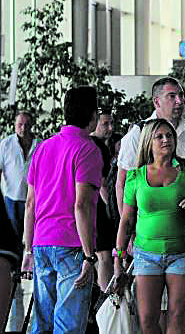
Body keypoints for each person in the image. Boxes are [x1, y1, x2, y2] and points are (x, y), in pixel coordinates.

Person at [111, 118, 185, 334]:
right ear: (148, 142)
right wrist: (119, 261)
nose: (166, 140)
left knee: (178, 318)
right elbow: (126, 222)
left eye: (169, 135)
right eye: (159, 136)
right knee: (146, 320)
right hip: (145, 255)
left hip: (182, 254)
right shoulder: (136, 176)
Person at [116, 77, 185, 318]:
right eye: (172, 96)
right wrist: (127, 238)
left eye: (181, 95)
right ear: (157, 101)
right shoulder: (138, 134)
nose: (179, 101)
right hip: (146, 246)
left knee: (180, 317)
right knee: (149, 317)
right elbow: (122, 184)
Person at [21, 87, 103, 334]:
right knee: (67, 325)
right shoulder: (88, 150)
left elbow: (30, 204)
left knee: (42, 322)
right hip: (71, 245)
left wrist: (28, 249)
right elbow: (82, 205)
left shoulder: (43, 148)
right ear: (92, 115)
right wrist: (89, 256)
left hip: (42, 243)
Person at [1, 111, 41, 241]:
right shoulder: (5, 144)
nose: (23, 128)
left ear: (32, 125)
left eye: (27, 124)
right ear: (14, 125)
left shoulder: (40, 145)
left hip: (35, 198)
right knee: (13, 237)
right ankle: (16, 260)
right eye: (20, 124)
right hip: (12, 198)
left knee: (33, 237)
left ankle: (29, 259)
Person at [90, 110, 117, 291]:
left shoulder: (102, 146)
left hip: (94, 208)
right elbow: (102, 184)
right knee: (104, 255)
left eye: (112, 123)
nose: (110, 128)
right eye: (105, 124)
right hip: (99, 210)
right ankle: (105, 299)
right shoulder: (96, 147)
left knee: (102, 256)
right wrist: (112, 211)